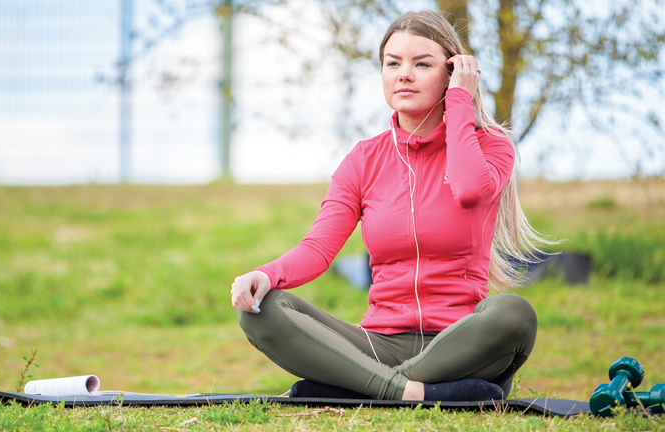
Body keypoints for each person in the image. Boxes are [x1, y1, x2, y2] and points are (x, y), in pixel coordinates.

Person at [230, 10, 549, 402]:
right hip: (378, 342)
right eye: (392, 63)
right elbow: (318, 248)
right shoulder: (363, 160)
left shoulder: (490, 147)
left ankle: (355, 385)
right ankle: (418, 392)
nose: (404, 74)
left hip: (460, 340)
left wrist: (461, 103)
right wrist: (265, 273)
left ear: (452, 74)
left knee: (514, 314)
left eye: (422, 63)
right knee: (262, 307)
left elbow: (468, 190)